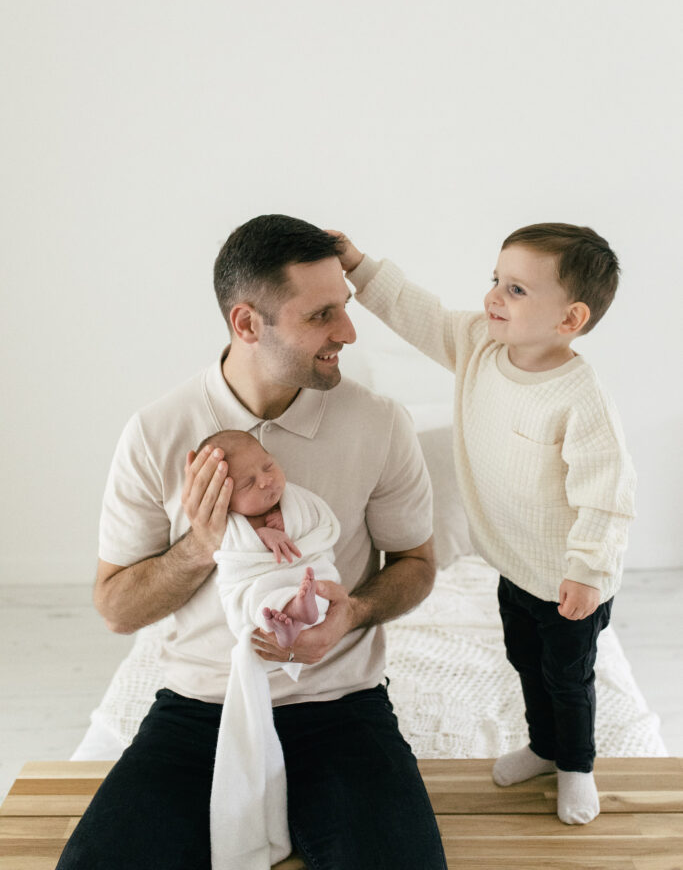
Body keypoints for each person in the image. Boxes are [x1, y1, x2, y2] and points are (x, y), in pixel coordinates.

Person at [57, 214, 447, 870]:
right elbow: (117, 608)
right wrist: (197, 545)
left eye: (344, 309)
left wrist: (350, 612)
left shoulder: (377, 424)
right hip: (200, 709)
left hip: (341, 706)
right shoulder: (157, 432)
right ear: (246, 324)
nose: (348, 333)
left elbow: (415, 562)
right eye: (321, 315)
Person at [335, 222, 636, 826]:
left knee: (567, 679)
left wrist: (587, 571)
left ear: (570, 319)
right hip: (513, 566)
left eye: (517, 290)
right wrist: (358, 264)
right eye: (495, 280)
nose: (494, 297)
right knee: (526, 662)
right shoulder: (479, 345)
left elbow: (607, 498)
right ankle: (544, 746)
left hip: (569, 581)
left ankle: (575, 764)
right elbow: (419, 313)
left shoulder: (580, 399)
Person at [203, 429, 341, 870]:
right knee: (262, 601)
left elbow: (319, 531)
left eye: (268, 465)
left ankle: (300, 607)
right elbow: (232, 554)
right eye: (248, 484)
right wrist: (262, 536)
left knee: (313, 587)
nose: (266, 482)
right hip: (256, 580)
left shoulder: (296, 503)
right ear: (224, 501)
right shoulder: (237, 526)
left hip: (307, 572)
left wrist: (288, 528)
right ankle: (282, 619)